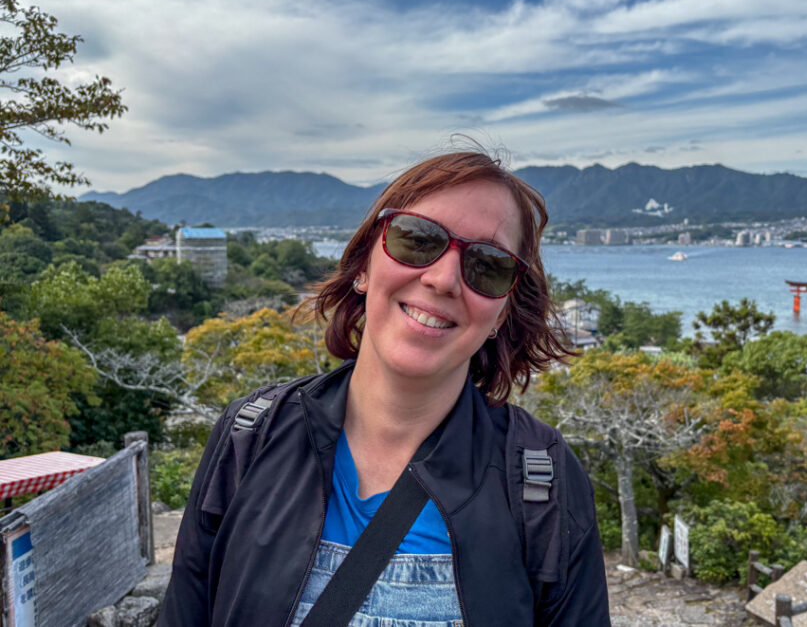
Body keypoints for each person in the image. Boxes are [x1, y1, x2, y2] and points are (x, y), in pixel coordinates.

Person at [159, 152, 611, 626]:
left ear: (501, 312)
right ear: (363, 266)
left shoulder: (541, 478)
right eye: (417, 240)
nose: (442, 279)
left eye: (488, 265)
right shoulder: (251, 435)